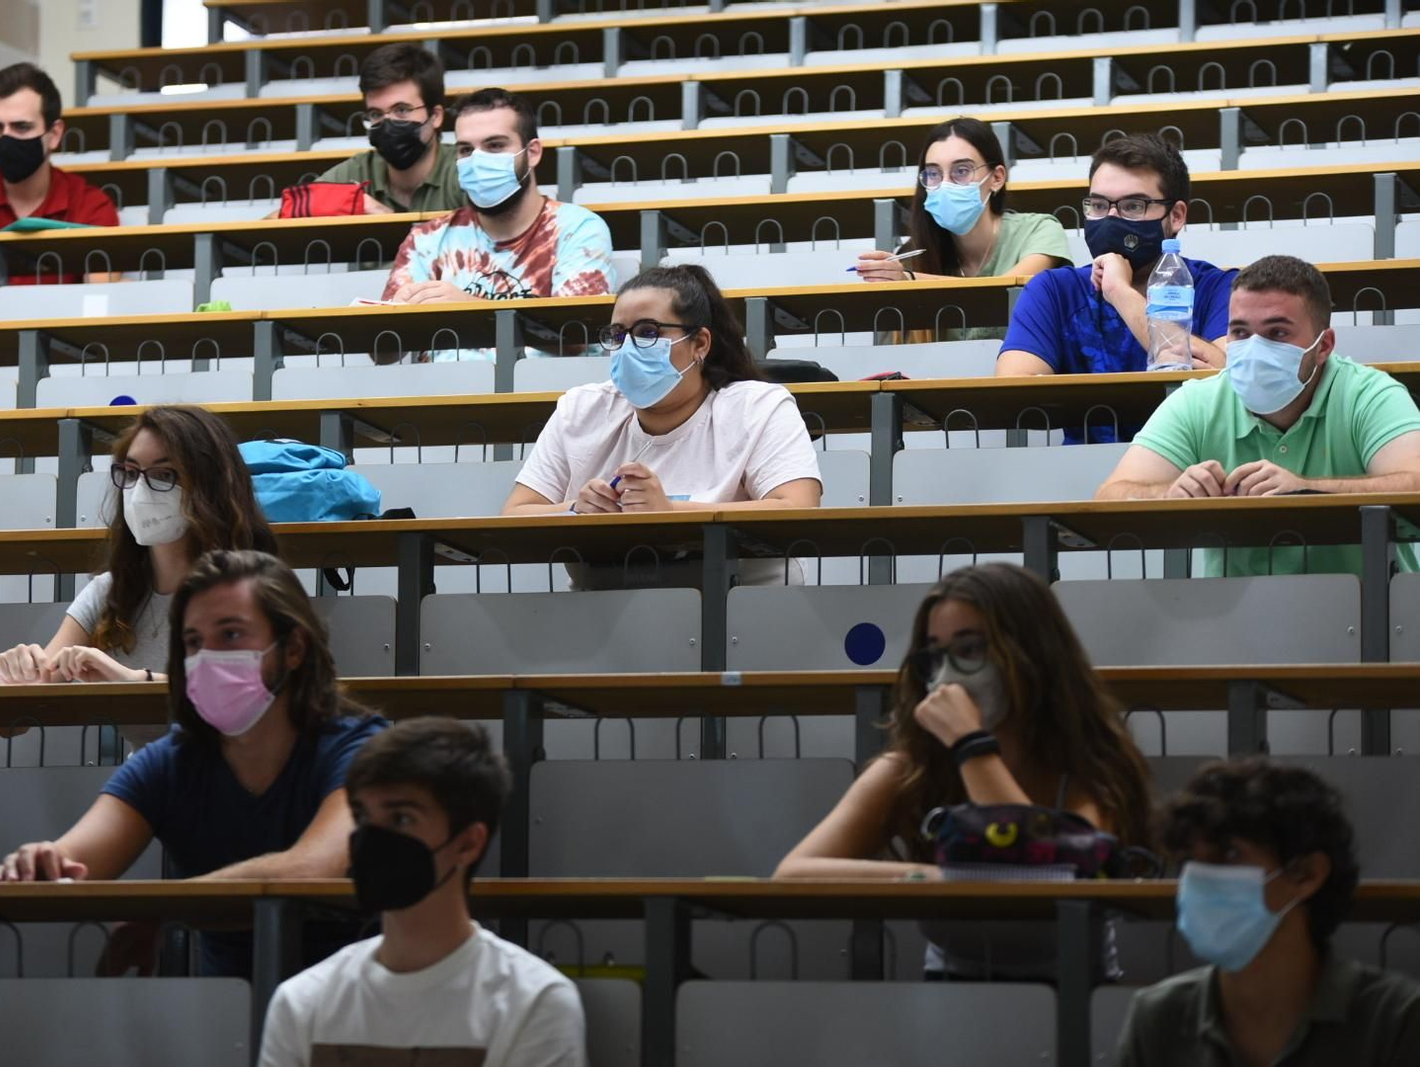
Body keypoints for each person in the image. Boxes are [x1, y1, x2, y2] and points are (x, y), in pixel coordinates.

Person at [0, 549, 388, 978]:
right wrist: (42, 862)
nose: (207, 657)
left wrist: (163, 909)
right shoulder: (173, 761)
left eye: (231, 635)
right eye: (194, 642)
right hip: (229, 1019)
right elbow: (78, 861)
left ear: (293, 648)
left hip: (360, 1008)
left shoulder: (359, 749)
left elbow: (314, 869)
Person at [775, 563, 1152, 979]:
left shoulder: (1090, 765)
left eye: (971, 650)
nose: (946, 676)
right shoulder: (910, 768)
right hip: (952, 1003)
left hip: (1076, 1001)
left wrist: (970, 746)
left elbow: (1041, 885)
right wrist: (940, 879)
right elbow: (794, 874)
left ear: (1031, 653)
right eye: (936, 656)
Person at [258, 717, 587, 1066]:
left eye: (401, 819)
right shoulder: (302, 1001)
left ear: (468, 843)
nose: (372, 839)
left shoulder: (533, 1002)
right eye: (363, 817)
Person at [1096, 254, 1420, 576]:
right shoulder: (1197, 402)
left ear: (1324, 346)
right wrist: (1171, 493)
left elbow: (1415, 482)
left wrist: (1306, 490)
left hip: (1371, 614)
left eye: (1277, 333)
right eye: (1239, 332)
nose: (1253, 347)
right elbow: (1108, 499)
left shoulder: (1369, 394)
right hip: (1236, 619)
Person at [502, 264, 822, 585]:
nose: (628, 348)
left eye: (648, 332)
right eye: (617, 335)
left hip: (744, 606)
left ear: (700, 344)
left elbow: (798, 509)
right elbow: (514, 515)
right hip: (604, 610)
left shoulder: (758, 406)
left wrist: (669, 513)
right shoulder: (581, 409)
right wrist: (576, 509)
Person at [1116, 758, 1420, 1065]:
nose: (1199, 878)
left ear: (1306, 874)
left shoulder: (1394, 1019)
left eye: (1228, 854)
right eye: (1187, 860)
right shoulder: (1158, 1018)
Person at [0, 405, 277, 688]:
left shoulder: (250, 587)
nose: (139, 491)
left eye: (164, 475)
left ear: (208, 487)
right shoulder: (110, 591)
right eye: (130, 472)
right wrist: (16, 673)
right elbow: (17, 715)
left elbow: (251, 693)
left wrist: (137, 680)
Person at [998, 134, 1235, 438]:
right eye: (1098, 205)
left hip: (1196, 471)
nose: (1110, 219)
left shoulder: (1218, 288)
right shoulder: (1055, 291)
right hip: (1084, 471)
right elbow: (1016, 391)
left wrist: (1120, 293)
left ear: (1176, 216)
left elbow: (1225, 377)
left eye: (1132, 206)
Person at [380, 86, 615, 353]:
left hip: (542, 391)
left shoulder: (578, 228)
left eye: (495, 145)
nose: (478, 160)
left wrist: (471, 310)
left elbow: (577, 337)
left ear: (533, 152)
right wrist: (394, 318)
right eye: (466, 150)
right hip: (441, 391)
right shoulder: (427, 238)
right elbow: (384, 352)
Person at [853, 117, 1071, 340]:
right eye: (934, 174)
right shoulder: (913, 256)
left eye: (961, 171)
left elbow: (1005, 295)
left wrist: (910, 281)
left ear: (996, 178)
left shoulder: (1039, 230)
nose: (945, 184)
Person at [0, 63, 118, 284]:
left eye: (21, 127)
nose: (6, 139)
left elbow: (100, 297)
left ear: (54, 134)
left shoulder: (90, 206)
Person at [268, 43, 463, 218]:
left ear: (436, 116)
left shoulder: (464, 170)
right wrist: (343, 203)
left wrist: (388, 222)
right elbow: (271, 224)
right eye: (376, 114)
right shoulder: (357, 171)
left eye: (402, 110)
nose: (388, 124)